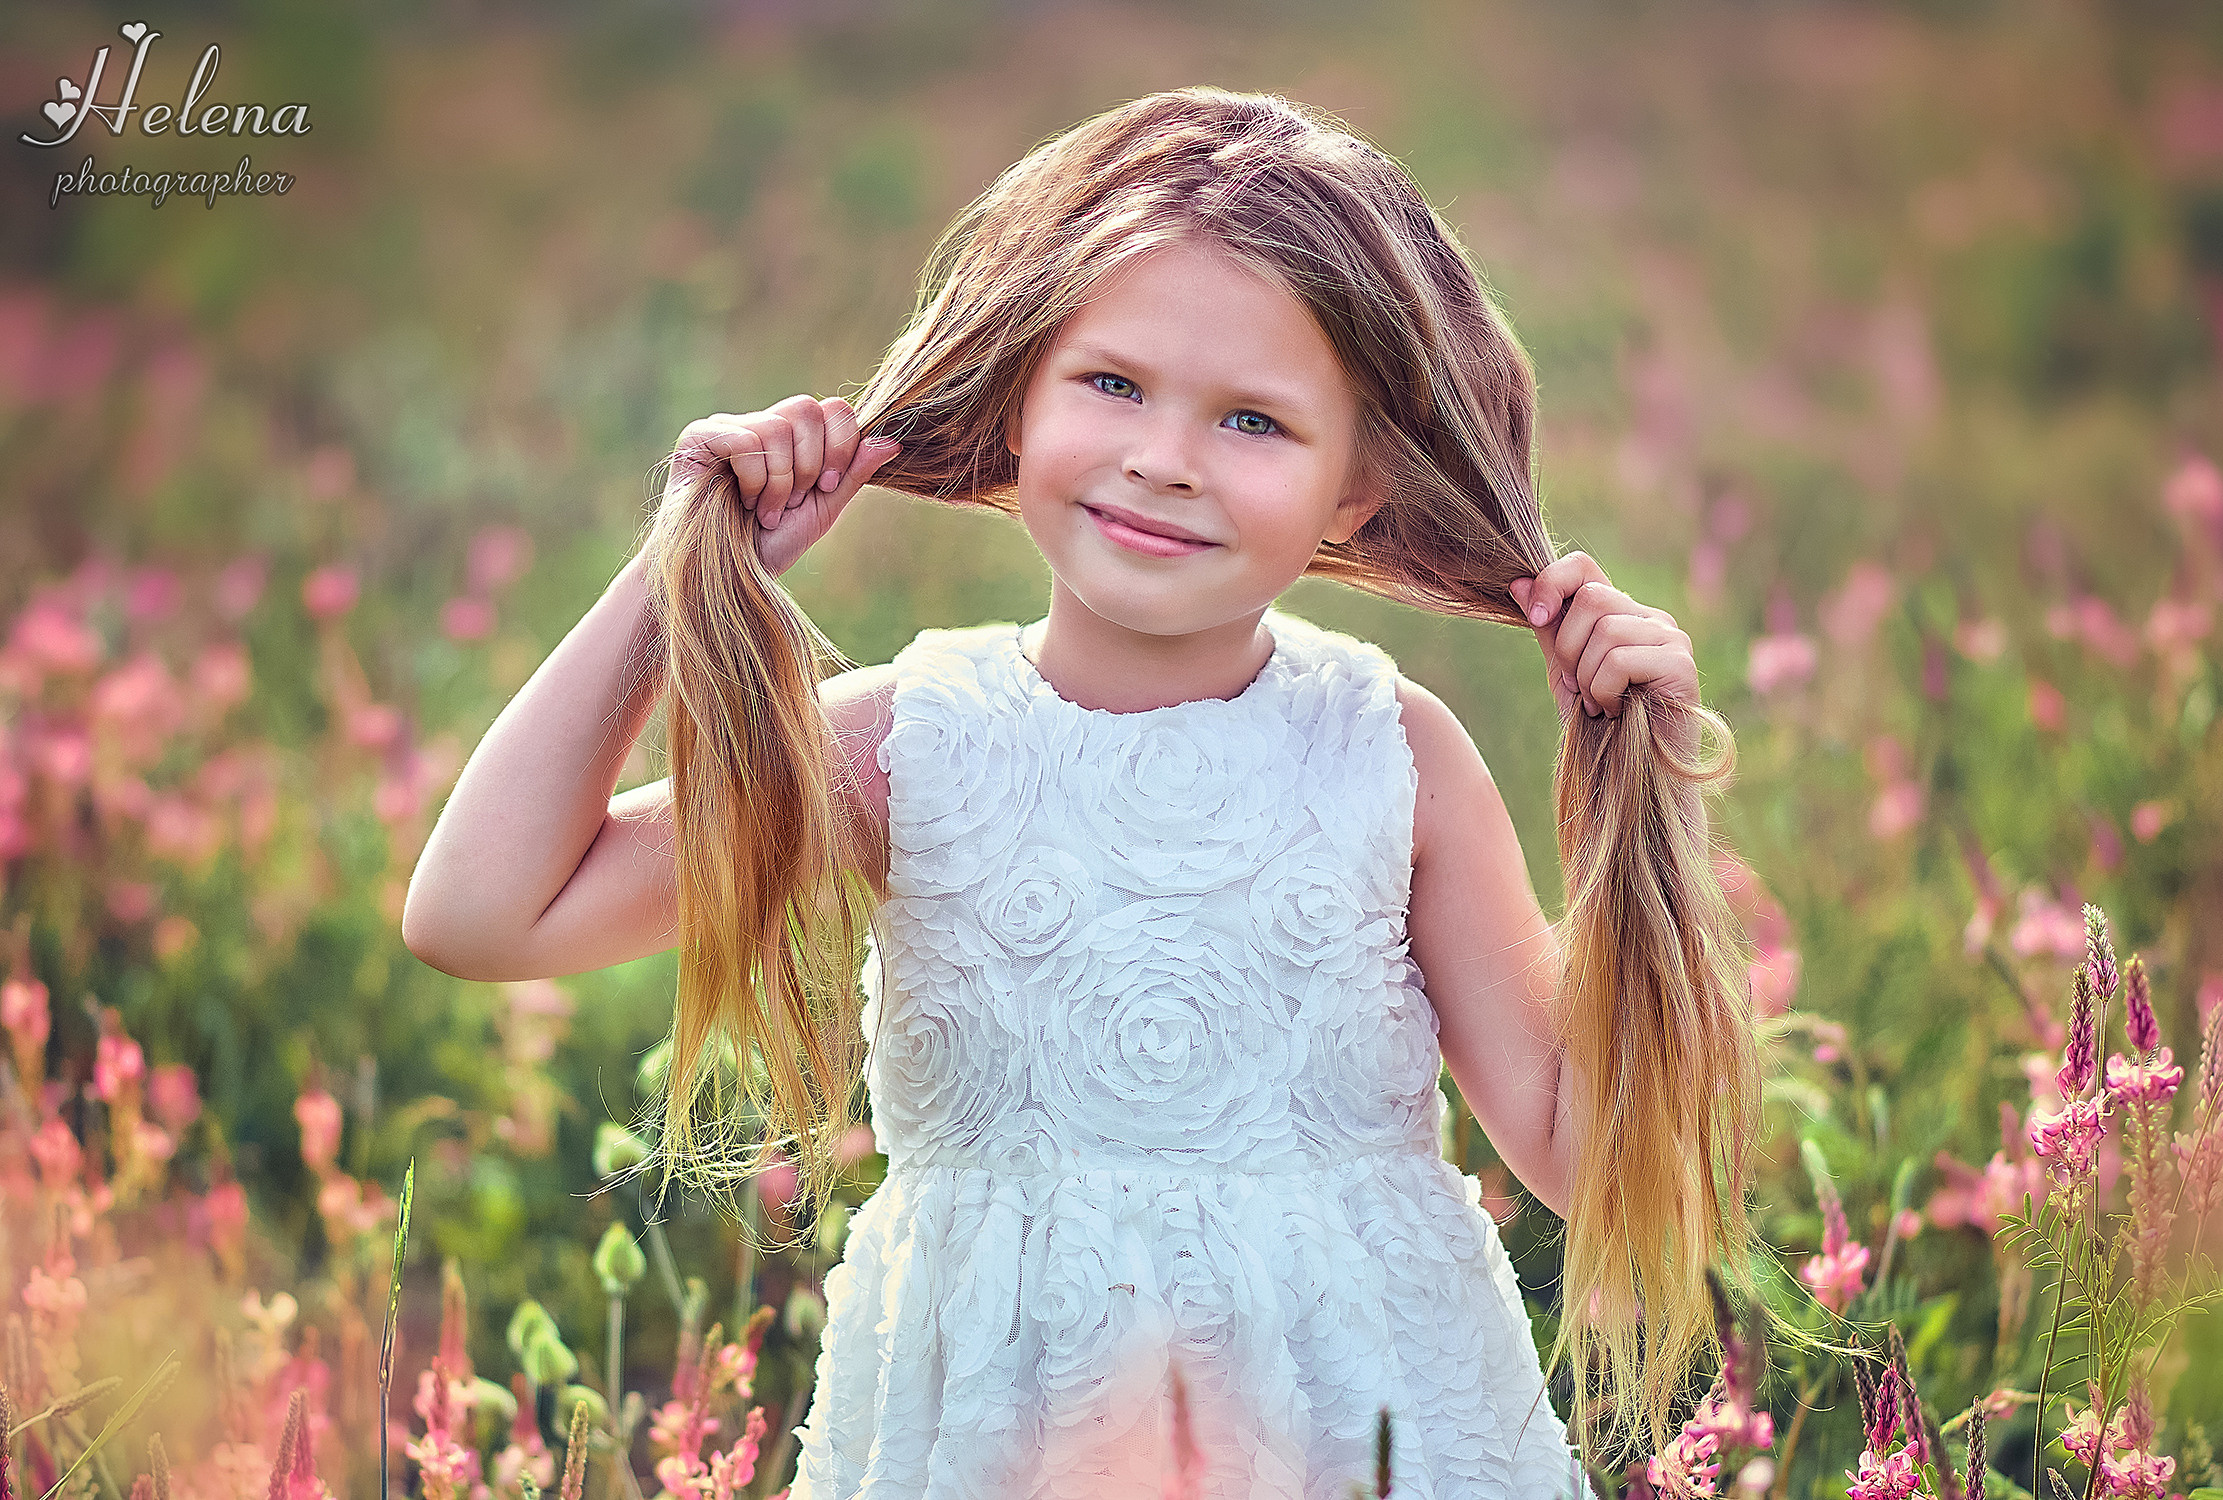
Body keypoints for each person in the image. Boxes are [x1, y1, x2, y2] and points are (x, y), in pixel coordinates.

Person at [403, 85, 1759, 1497]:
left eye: (1252, 420)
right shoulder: (909, 746)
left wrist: (1631, 804)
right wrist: (686, 569)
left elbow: (1579, 1151)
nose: (1161, 460)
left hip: (1355, 1436)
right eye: (1110, 384)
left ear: (1357, 491)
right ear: (1018, 396)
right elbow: (485, 913)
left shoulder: (1386, 755)